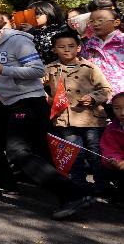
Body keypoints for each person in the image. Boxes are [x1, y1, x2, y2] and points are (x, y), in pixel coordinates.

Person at [0, 5, 92, 219]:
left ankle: (73, 195)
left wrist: (4, 69)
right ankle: (8, 184)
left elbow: (37, 70)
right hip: (5, 102)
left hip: (28, 101)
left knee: (19, 151)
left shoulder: (18, 40)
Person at [43, 30, 112, 193]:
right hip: (65, 118)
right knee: (74, 153)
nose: (66, 50)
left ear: (79, 48)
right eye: (61, 47)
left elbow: (106, 89)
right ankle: (78, 185)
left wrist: (93, 98)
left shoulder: (89, 68)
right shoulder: (50, 69)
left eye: (71, 46)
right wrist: (48, 99)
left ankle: (102, 184)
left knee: (94, 151)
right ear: (54, 49)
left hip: (91, 118)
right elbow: (35, 86)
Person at [79, 5, 123, 97]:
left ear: (116, 22)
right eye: (92, 21)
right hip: (97, 95)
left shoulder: (122, 41)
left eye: (100, 20)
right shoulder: (88, 45)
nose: (95, 24)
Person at [26, 0, 69, 64]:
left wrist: (33, 32)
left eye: (37, 14)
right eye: (30, 15)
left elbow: (46, 49)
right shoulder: (34, 30)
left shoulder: (56, 31)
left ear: (48, 13)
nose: (34, 17)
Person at [100, 92, 124, 199]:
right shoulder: (112, 129)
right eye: (117, 108)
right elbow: (110, 149)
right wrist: (115, 160)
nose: (122, 113)